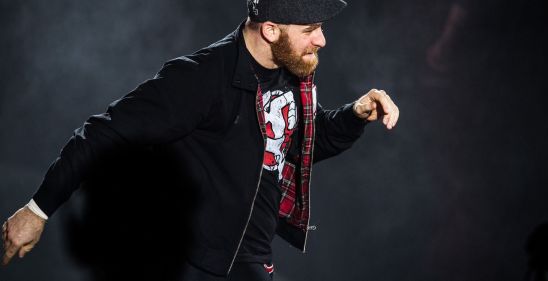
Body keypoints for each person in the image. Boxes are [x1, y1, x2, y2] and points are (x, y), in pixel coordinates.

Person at [2, 0, 399, 280]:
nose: (322, 41)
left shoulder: (288, 71)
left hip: (253, 262)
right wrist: (37, 210)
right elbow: (104, 133)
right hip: (194, 266)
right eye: (311, 30)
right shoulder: (199, 78)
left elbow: (298, 145)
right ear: (271, 30)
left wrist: (354, 115)